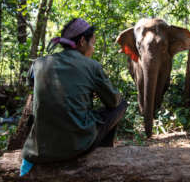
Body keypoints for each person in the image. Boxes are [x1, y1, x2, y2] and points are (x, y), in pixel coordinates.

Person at [20, 18, 127, 176]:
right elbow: (112, 101)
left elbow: (32, 83)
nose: (94, 48)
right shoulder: (91, 66)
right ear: (82, 41)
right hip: (76, 146)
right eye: (93, 43)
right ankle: (104, 151)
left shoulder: (39, 63)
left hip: (38, 150)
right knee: (121, 104)